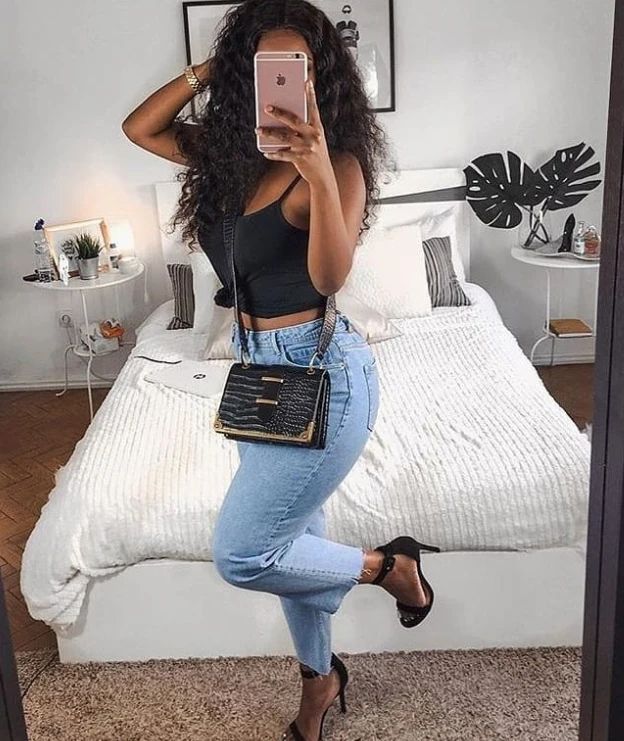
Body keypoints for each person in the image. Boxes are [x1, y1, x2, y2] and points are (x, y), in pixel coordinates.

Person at [122, 1, 440, 738]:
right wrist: (216, 68)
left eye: (300, 66)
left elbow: (329, 278)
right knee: (296, 540)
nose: (286, 80)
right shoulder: (225, 158)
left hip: (323, 372)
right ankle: (319, 677)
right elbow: (140, 128)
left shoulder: (341, 165)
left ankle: (389, 566)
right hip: (257, 370)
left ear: (323, 76)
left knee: (244, 554)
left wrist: (319, 172)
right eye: (270, 65)